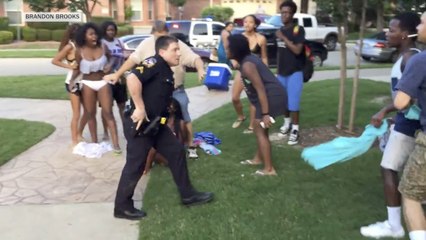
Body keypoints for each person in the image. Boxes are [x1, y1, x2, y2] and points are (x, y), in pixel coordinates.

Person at [114, 36, 214, 220]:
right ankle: (122, 207)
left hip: (156, 126)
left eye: (179, 49)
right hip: (140, 126)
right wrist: (140, 107)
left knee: (176, 151)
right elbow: (133, 77)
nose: (179, 53)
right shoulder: (154, 63)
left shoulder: (166, 69)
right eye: (175, 50)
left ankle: (188, 195)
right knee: (135, 165)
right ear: (162, 52)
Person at [359, 12, 422, 239]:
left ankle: (394, 226)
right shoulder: (408, 56)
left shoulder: (410, 58)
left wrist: (385, 110)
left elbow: (410, 98)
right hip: (408, 121)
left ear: (405, 34)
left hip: (410, 125)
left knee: (388, 168)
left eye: (392, 30)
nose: (388, 33)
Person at [104, 20, 205, 159]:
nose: (160, 40)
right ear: (152, 34)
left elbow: (195, 58)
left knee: (184, 119)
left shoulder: (176, 45)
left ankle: (190, 144)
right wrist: (117, 74)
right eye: (157, 37)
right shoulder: (146, 44)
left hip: (176, 89)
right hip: (155, 93)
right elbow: (133, 60)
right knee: (156, 121)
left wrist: (200, 69)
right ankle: (152, 153)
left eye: (163, 36)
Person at [228, 34, 286, 176]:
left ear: (236, 49)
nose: (227, 48)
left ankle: (269, 169)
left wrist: (265, 114)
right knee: (259, 128)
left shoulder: (248, 65)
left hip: (271, 97)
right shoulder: (246, 61)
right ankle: (258, 159)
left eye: (229, 46)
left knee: (260, 129)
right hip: (268, 96)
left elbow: (260, 89)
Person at [393, 12, 426, 240]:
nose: (419, 25)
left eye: (423, 22)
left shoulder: (419, 60)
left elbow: (400, 102)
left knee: (411, 194)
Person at [71, 22, 121, 152]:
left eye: (95, 34)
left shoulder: (103, 46)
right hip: (87, 83)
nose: (94, 37)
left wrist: (110, 65)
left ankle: (116, 144)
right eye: (91, 34)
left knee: (108, 113)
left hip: (103, 81)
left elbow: (112, 58)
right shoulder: (79, 51)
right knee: (90, 113)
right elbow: (77, 69)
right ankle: (95, 142)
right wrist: (71, 81)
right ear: (84, 36)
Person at [51, 23, 87, 146]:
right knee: (77, 113)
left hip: (85, 81)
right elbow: (55, 60)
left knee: (88, 112)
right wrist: (69, 66)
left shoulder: (84, 45)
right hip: (73, 83)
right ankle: (74, 141)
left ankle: (79, 133)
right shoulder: (69, 47)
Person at [231, 15, 268, 134]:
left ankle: (252, 126)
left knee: (254, 100)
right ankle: (241, 116)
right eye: (245, 22)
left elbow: (264, 57)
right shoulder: (239, 38)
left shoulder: (261, 39)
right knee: (235, 97)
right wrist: (234, 62)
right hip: (241, 71)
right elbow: (233, 55)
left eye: (250, 22)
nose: (247, 24)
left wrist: (265, 72)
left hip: (255, 72)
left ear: (255, 24)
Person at [275, 0, 305, 145]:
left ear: (293, 14)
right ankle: (286, 124)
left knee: (294, 103)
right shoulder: (280, 30)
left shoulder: (298, 29)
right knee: (283, 102)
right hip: (282, 72)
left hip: (295, 72)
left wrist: (284, 38)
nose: (284, 15)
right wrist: (277, 70)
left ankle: (295, 129)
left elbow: (297, 50)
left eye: (287, 12)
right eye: (282, 12)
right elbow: (280, 52)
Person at [100, 21, 128, 140]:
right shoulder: (102, 43)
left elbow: (126, 56)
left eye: (112, 30)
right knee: (107, 107)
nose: (111, 32)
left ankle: (126, 131)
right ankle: (106, 132)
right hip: (107, 78)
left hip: (120, 78)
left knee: (122, 106)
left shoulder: (119, 42)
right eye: (108, 30)